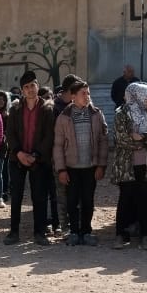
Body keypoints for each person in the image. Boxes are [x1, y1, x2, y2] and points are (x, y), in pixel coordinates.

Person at [52, 76, 109, 246]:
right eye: (83, 93)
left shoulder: (96, 114)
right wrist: (61, 169)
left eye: (88, 93)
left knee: (88, 200)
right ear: (73, 96)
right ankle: (74, 232)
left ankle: (86, 231)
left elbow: (103, 141)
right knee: (72, 201)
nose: (87, 96)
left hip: (90, 167)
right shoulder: (64, 117)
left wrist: (101, 165)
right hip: (71, 168)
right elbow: (58, 145)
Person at [110, 82, 147, 250]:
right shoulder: (121, 114)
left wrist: (144, 137)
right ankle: (120, 234)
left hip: (146, 165)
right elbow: (121, 139)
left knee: (145, 199)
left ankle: (145, 236)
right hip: (126, 166)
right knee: (125, 199)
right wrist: (142, 144)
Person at [4, 71, 56, 245]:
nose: (30, 89)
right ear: (22, 90)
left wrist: (36, 155)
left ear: (37, 86)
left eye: (33, 85)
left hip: (39, 159)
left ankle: (40, 232)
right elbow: (10, 133)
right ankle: (13, 232)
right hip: (17, 157)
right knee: (16, 196)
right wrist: (19, 152)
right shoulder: (15, 109)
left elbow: (49, 135)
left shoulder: (47, 109)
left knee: (39, 196)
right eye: (26, 87)